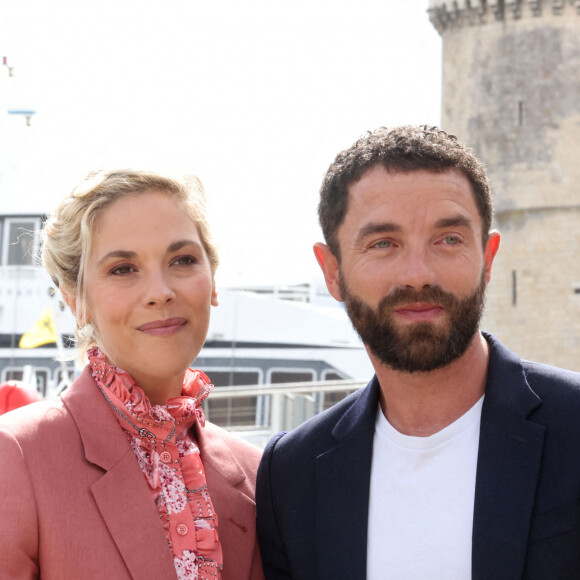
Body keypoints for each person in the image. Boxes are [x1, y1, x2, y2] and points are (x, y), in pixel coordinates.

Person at [256, 125, 580, 579]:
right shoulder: (291, 475)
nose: (417, 274)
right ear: (332, 272)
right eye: (383, 244)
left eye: (448, 239)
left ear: (488, 258)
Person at [0, 169, 264, 580]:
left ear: (213, 280)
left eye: (183, 260)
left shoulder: (257, 473)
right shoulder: (15, 456)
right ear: (77, 300)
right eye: (123, 268)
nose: (160, 291)